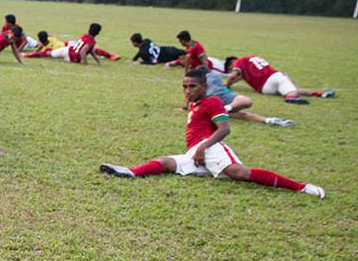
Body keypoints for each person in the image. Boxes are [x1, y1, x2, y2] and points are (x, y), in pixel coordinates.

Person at [100, 68, 324, 198]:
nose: (188, 91)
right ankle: (131, 172)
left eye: (192, 87)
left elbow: (224, 129)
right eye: (185, 87)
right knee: (166, 163)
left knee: (239, 172)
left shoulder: (212, 101)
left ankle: (301, 187)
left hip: (210, 148)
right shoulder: (195, 104)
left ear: (204, 87)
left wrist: (203, 147)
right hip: (196, 152)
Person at [222, 55, 335, 104]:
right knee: (287, 85)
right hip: (272, 78)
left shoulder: (240, 63)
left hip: (265, 87)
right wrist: (227, 86)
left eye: (230, 68)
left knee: (292, 89)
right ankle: (290, 98)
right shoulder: (248, 60)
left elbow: (233, 77)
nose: (232, 71)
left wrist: (226, 86)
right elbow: (234, 77)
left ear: (232, 62)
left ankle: (321, 94)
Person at [202, 68, 292, 128]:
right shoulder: (213, 77)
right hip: (217, 99)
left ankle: (269, 120)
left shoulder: (208, 80)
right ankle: (268, 120)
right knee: (244, 106)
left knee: (241, 114)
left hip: (213, 103)